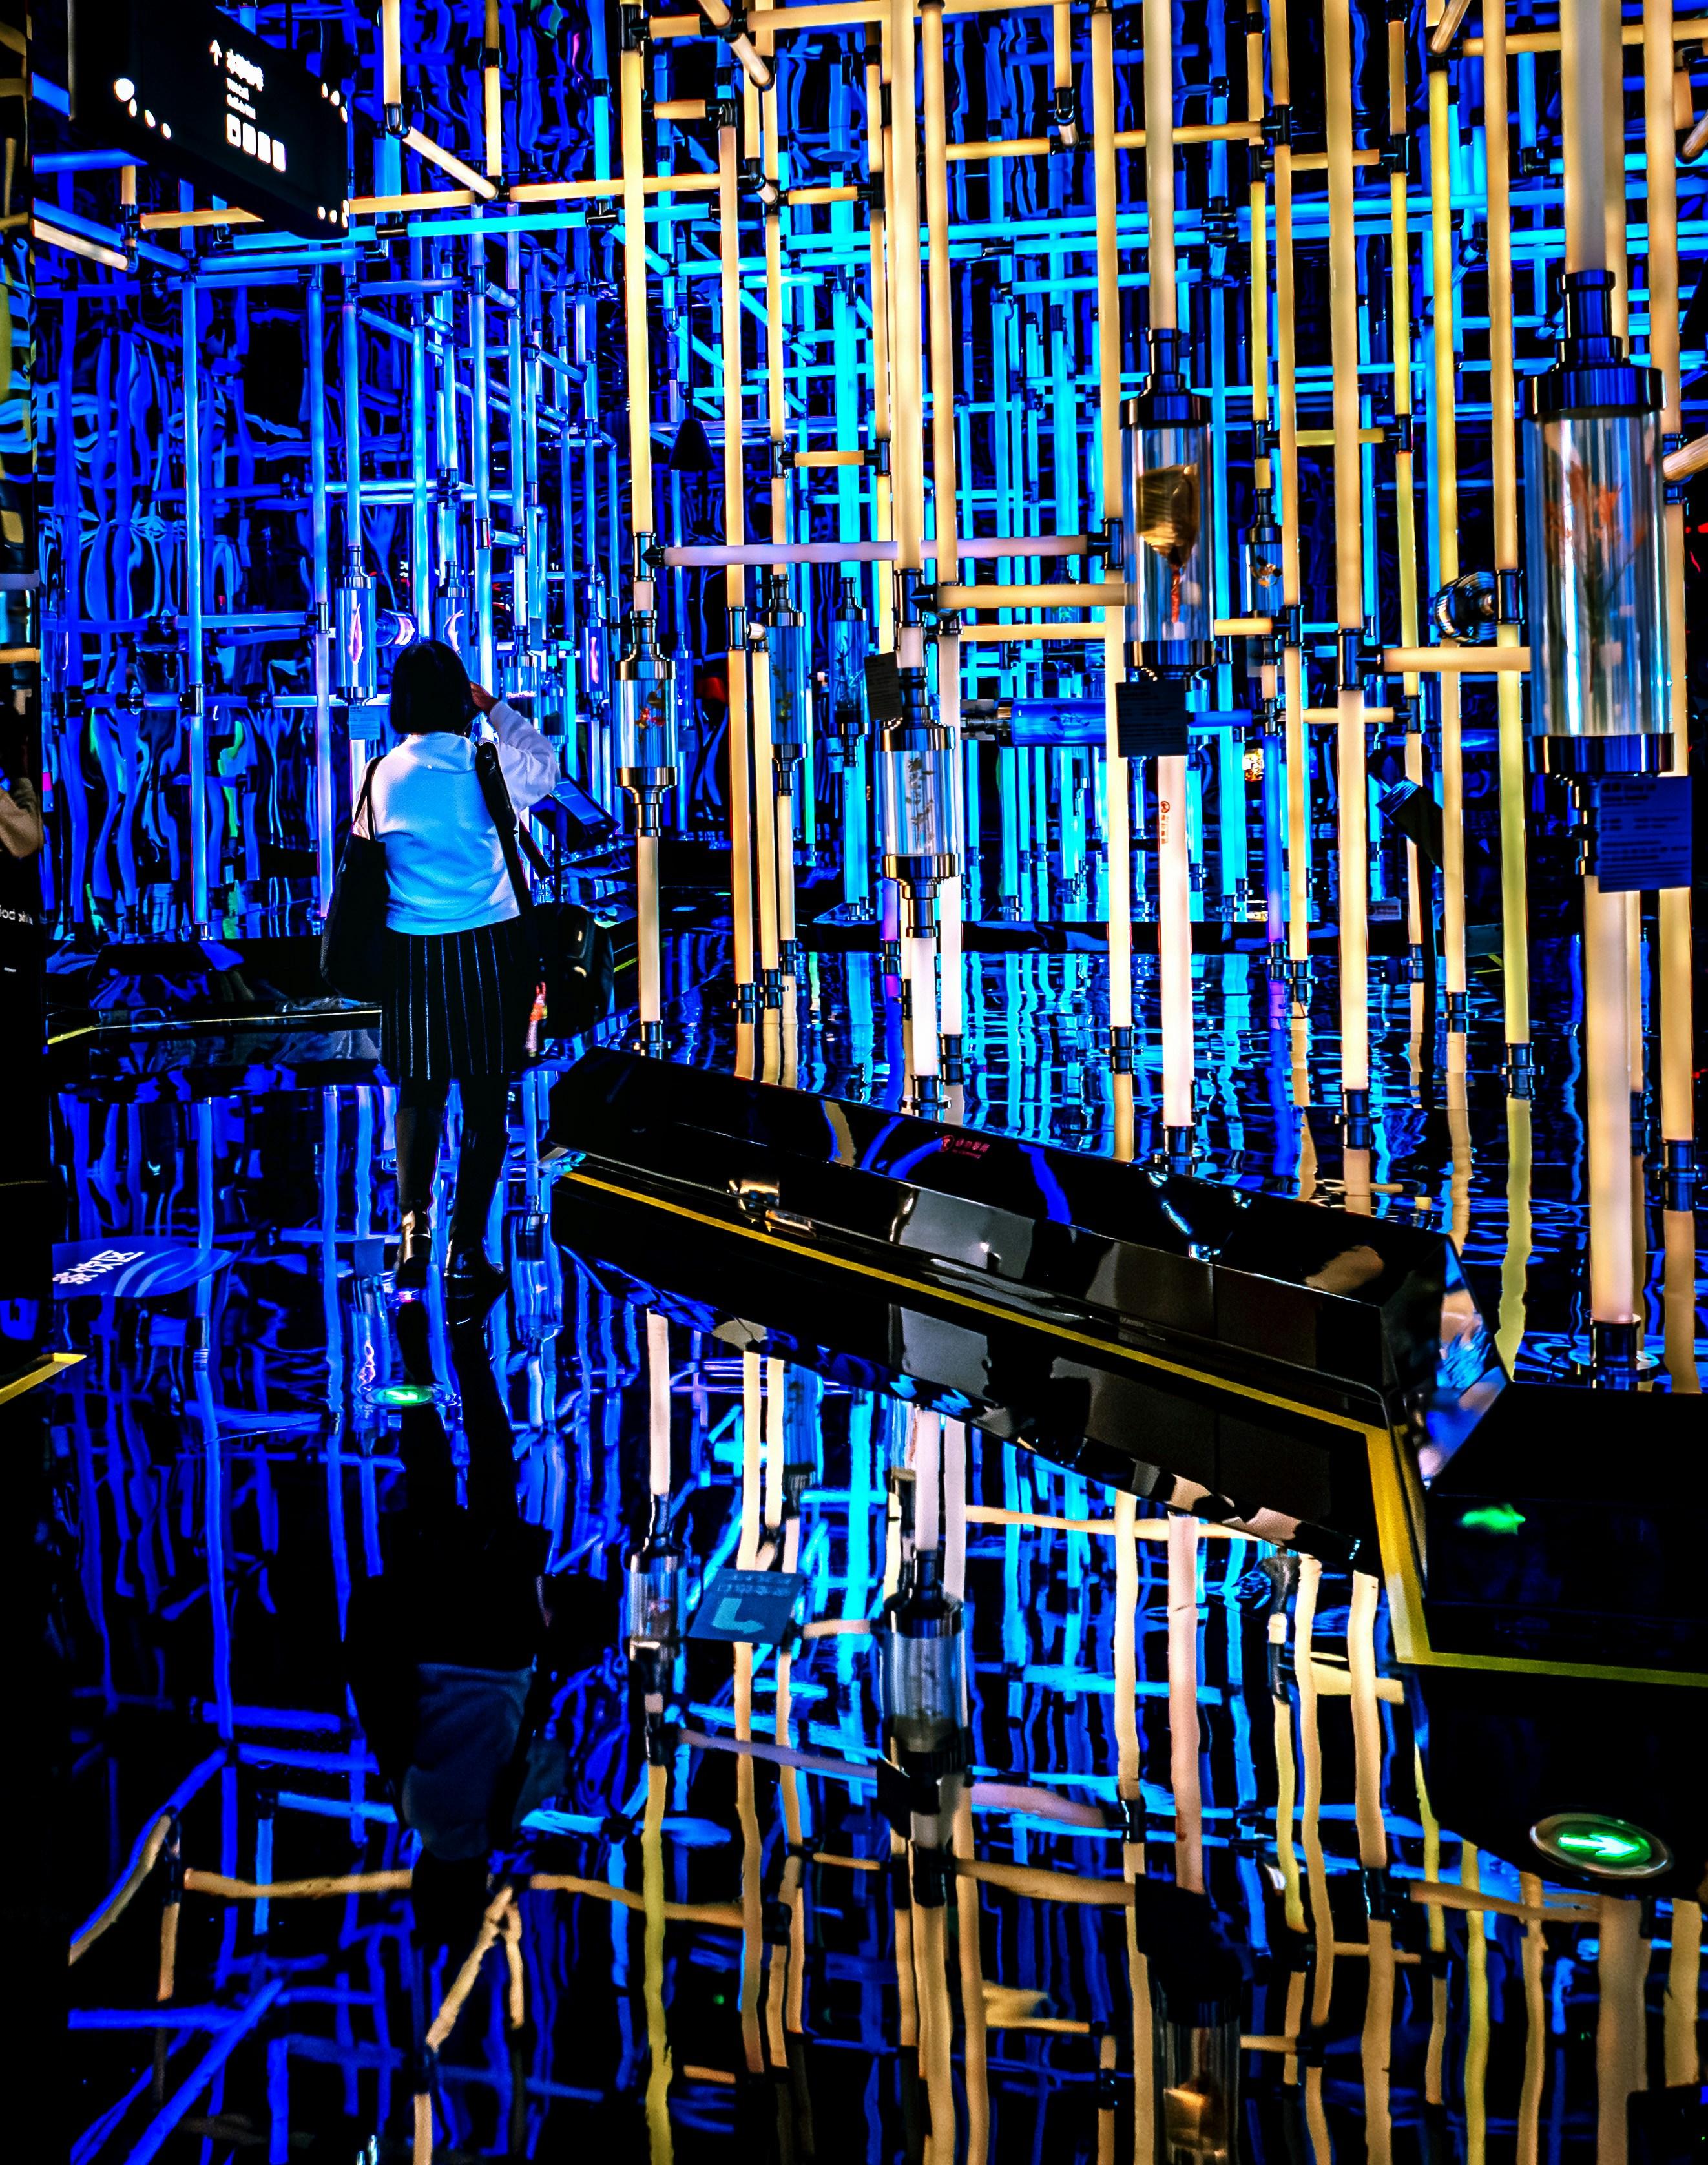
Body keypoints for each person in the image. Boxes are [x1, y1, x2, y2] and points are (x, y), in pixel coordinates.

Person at [344, 1304, 609, 1961]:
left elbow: (552, 1761)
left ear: (477, 1884)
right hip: (432, 1621)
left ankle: (471, 1349)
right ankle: (416, 1368)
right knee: (430, 1477)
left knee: (495, 1472)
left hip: (502, 1632)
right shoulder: (413, 1808)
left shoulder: (497, 1824)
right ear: (424, 1876)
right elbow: (387, 1709)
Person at [355, 641, 559, 1309]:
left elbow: (364, 857)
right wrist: (494, 707)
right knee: (484, 1103)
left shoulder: (382, 774)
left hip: (411, 954)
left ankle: (413, 1231)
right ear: (456, 698)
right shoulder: (484, 763)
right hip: (489, 951)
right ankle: (464, 1247)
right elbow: (549, 768)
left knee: (419, 1093)